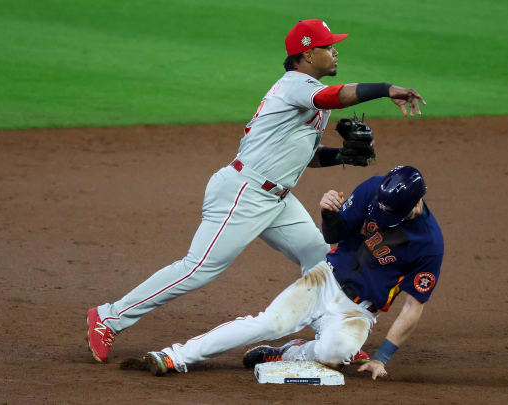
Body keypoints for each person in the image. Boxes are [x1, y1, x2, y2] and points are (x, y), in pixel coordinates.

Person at [87, 19, 427, 363]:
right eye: (328, 46)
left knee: (322, 258)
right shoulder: (297, 85)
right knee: (198, 268)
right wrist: (386, 88)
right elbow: (334, 96)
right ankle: (110, 316)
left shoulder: (307, 97)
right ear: (308, 54)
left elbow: (301, 156)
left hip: (276, 198)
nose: (335, 51)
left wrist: (340, 156)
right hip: (243, 192)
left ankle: (331, 332)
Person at [137, 165, 444, 380]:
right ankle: (176, 356)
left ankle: (287, 353)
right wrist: (327, 213)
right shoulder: (374, 190)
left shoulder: (429, 244)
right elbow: (333, 235)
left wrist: (382, 358)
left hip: (358, 312)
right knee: (269, 322)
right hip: (325, 279)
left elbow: (413, 308)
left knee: (335, 355)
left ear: (417, 201)